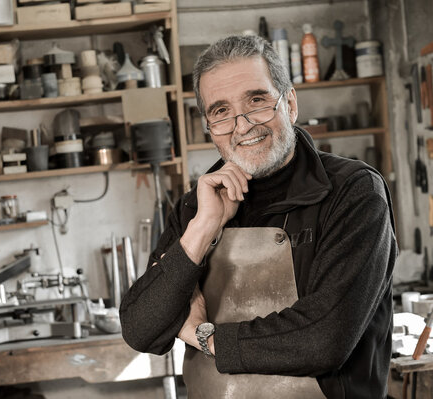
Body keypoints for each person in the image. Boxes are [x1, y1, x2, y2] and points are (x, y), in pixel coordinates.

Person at [119, 35, 397, 399]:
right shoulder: (195, 206)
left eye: (257, 100)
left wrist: (206, 337)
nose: (243, 124)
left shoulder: (353, 193)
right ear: (209, 127)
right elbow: (141, 331)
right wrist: (203, 229)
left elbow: (323, 340)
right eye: (221, 111)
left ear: (290, 103)